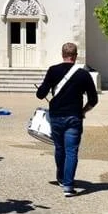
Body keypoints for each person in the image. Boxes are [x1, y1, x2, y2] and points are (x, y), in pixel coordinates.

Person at [35, 42, 99, 197]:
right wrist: (84, 111)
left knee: (59, 148)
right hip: (74, 116)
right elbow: (93, 99)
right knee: (71, 151)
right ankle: (68, 186)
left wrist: (43, 90)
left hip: (56, 116)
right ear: (75, 56)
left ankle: (61, 178)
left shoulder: (53, 70)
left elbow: (41, 94)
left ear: (62, 54)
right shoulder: (83, 74)